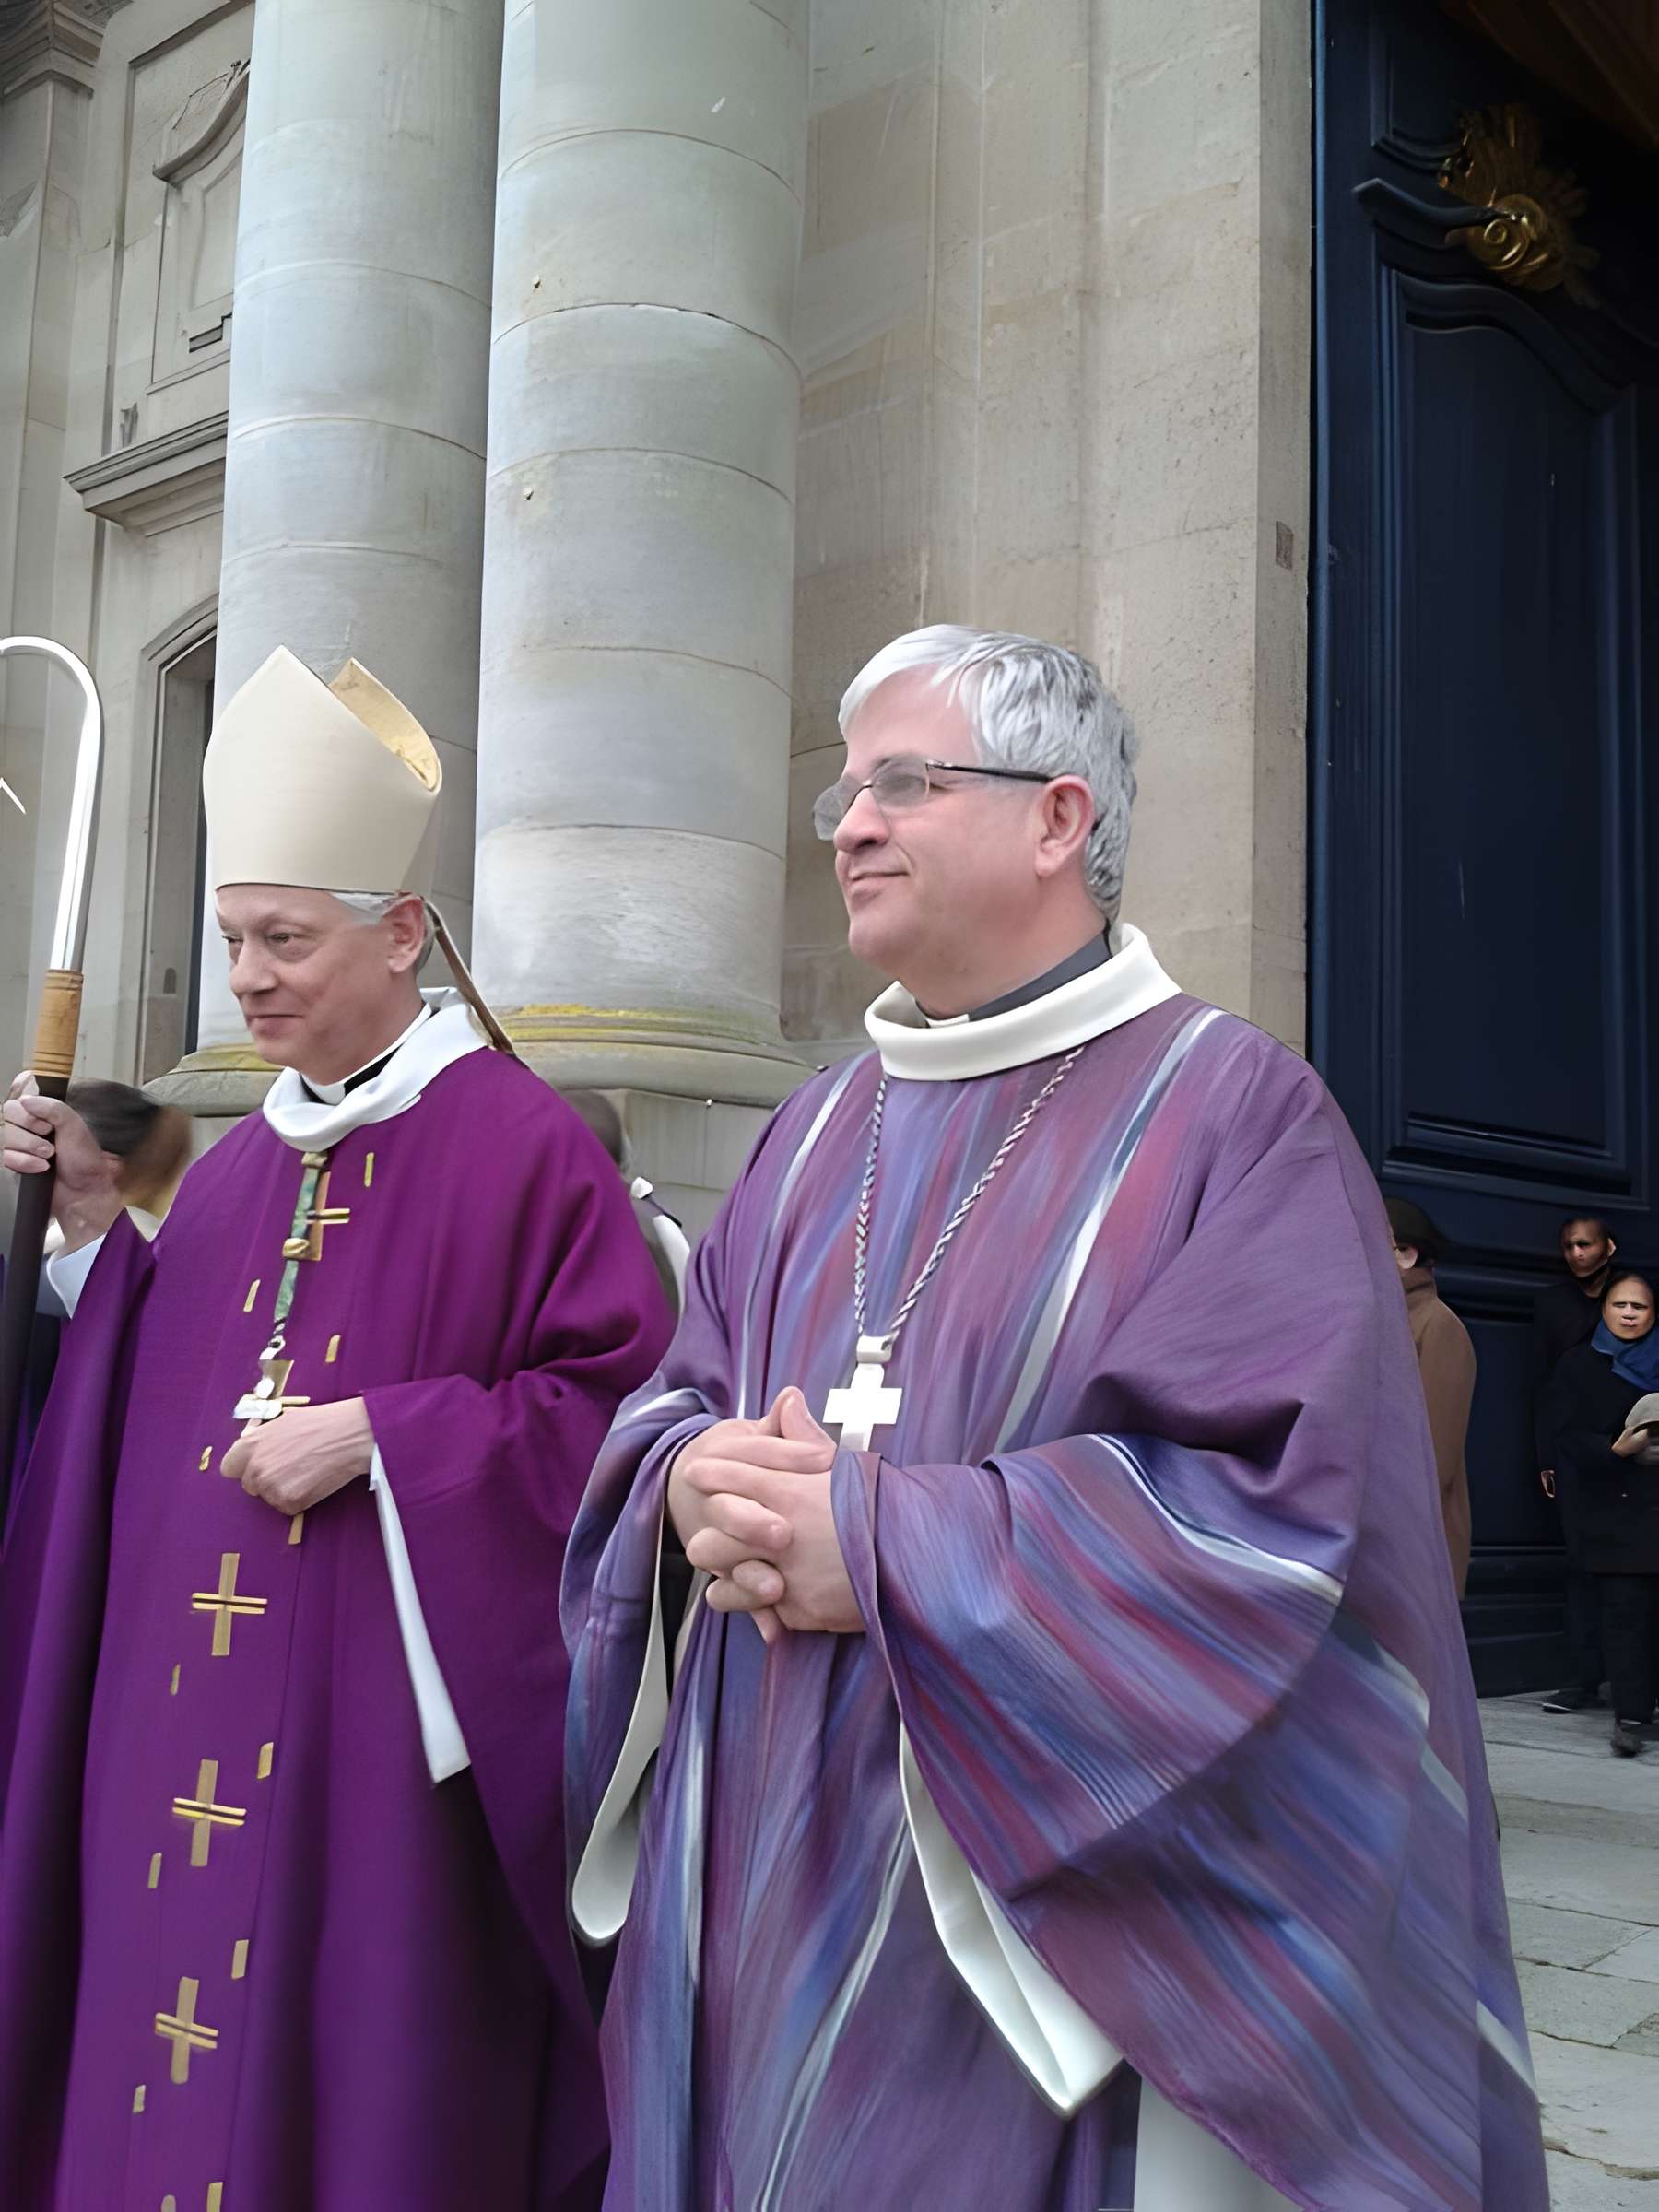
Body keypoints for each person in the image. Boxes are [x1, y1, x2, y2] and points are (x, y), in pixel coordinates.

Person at [563, 626, 1547, 2211]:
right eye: (844, 793)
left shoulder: (1235, 1111)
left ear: (1059, 820)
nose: (849, 825)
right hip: (751, 1831)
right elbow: (684, 1386)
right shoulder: (817, 1127)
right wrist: (688, 1484)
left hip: (1020, 1893)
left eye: (903, 783)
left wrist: (879, 1539)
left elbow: (1282, 1522)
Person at [0, 647, 670, 2211]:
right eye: (235, 940)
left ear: (402, 930)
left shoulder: (524, 1148)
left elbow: (620, 1423)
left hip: (383, 1785)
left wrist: (391, 1433)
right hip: (172, 1751)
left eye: (286, 939)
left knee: (363, 2111)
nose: (249, 977)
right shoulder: (229, 1171)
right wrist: (93, 1235)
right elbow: (139, 1411)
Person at [1542, 1272, 1659, 1758]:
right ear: (1604, 1310)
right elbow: (1566, 1436)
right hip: (1615, 1508)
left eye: (1640, 1306)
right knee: (1625, 1614)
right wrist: (1615, 1449)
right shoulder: (1577, 1365)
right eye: (1620, 1305)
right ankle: (1630, 1717)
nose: (1629, 1313)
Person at [1533, 1214, 1618, 1712]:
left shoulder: (1636, 1296)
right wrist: (1546, 1454)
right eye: (1568, 1246)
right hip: (1571, 1448)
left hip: (1631, 1442)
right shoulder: (1550, 1304)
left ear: (1608, 1245)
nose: (1576, 1254)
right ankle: (1582, 1679)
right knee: (1580, 1563)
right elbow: (1540, 1385)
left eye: (1584, 1244)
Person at [1385, 1197, 1477, 1594]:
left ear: (1410, 1255)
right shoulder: (1373, 1315)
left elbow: (1437, 1456)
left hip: (1411, 1538)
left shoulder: (1438, 1325)